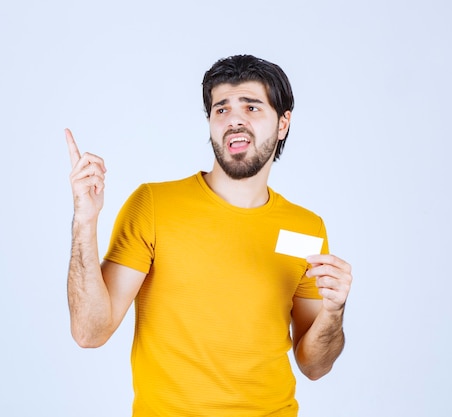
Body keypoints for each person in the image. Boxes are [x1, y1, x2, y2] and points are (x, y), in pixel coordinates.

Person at [65, 54, 353, 417]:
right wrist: (84, 221)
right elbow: (90, 332)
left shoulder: (306, 228)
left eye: (251, 107)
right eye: (221, 109)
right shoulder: (154, 205)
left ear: (283, 124)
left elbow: (315, 366)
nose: (234, 119)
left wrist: (334, 311)